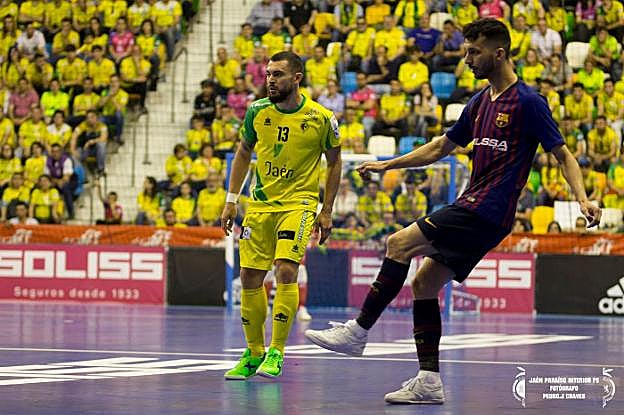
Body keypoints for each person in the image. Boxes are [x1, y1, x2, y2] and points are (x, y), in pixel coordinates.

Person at [304, 19, 601, 405]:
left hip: (487, 208)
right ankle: (429, 380)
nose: (467, 59)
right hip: (476, 207)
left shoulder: (529, 102)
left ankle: (357, 332)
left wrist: (582, 199)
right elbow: (439, 147)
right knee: (424, 284)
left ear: (499, 54)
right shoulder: (479, 102)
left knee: (398, 243)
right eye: (466, 52)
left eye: (474, 52)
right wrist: (388, 164)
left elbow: (563, 155)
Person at [220, 51, 341, 380]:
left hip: (299, 204)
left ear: (297, 78)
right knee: (249, 276)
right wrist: (231, 200)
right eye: (268, 74)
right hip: (260, 205)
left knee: (286, 269)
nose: (270, 80)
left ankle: (276, 351)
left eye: (278, 74)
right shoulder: (257, 111)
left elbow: (334, 162)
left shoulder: (321, 117)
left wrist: (326, 210)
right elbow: (243, 152)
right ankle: (253, 353)